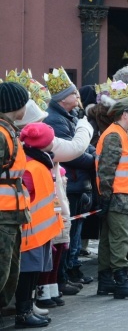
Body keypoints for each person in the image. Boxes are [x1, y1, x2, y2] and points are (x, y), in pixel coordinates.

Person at [43, 67, 96, 286]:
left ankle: (69, 271)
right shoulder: (56, 120)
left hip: (77, 184)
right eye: (74, 93)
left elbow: (86, 147)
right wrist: (96, 161)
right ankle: (62, 277)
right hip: (71, 183)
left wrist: (93, 154)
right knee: (68, 235)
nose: (78, 96)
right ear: (64, 98)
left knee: (74, 234)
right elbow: (71, 154)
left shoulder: (70, 116)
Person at [95, 97, 128, 299]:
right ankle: (121, 281)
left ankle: (107, 281)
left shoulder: (121, 133)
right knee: (120, 238)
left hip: (119, 193)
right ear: (125, 114)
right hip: (117, 194)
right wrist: (106, 197)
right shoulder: (115, 135)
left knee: (110, 239)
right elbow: (107, 169)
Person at [15, 122, 63, 328]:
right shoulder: (31, 165)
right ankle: (23, 311)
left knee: (35, 270)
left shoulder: (38, 161)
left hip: (39, 229)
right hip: (31, 230)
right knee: (28, 271)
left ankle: (28, 306)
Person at [0, 83, 31, 316]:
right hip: (3, 213)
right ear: (15, 106)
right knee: (3, 269)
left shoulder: (8, 130)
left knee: (9, 269)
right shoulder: (2, 134)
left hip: (11, 213)